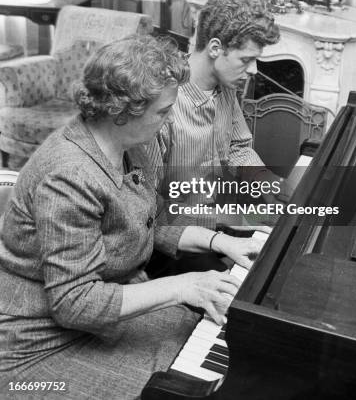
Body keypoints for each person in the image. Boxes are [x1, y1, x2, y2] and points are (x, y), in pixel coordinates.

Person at [0, 35, 265, 400]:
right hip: (39, 344)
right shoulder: (68, 176)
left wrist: (220, 241)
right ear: (122, 111)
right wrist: (182, 286)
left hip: (108, 305)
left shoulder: (130, 146)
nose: (170, 118)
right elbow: (75, 304)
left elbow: (147, 218)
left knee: (203, 342)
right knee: (183, 381)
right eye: (162, 110)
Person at [144, 0, 283, 274]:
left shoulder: (226, 86)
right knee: (243, 285)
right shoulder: (162, 105)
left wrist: (267, 183)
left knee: (277, 252)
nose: (254, 70)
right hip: (170, 242)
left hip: (214, 215)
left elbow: (237, 147)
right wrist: (227, 224)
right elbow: (148, 214)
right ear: (216, 48)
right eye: (246, 59)